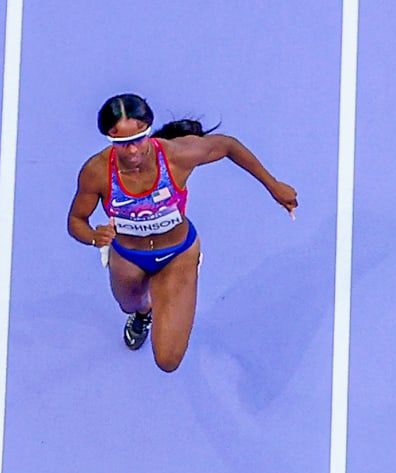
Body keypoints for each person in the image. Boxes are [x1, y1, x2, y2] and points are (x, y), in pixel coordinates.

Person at [65, 92, 298, 372]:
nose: (134, 150)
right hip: (127, 256)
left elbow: (227, 146)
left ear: (148, 132)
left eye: (139, 139)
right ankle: (143, 312)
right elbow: (76, 220)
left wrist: (273, 186)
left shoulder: (176, 156)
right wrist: (94, 237)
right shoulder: (97, 172)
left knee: (168, 361)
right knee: (129, 305)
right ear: (110, 140)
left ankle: (172, 292)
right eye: (123, 144)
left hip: (177, 255)